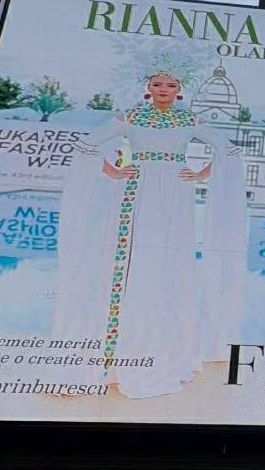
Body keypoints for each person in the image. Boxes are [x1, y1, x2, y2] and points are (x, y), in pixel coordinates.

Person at [52, 51, 247, 399]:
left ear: (180, 88)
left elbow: (228, 150)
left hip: (176, 197)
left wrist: (203, 173)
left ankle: (159, 348)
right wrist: (111, 169)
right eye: (158, 83)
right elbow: (88, 145)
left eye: (170, 84)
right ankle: (114, 357)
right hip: (135, 192)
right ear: (148, 86)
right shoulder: (129, 117)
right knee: (126, 264)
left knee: (167, 268)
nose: (163, 89)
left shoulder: (191, 120)